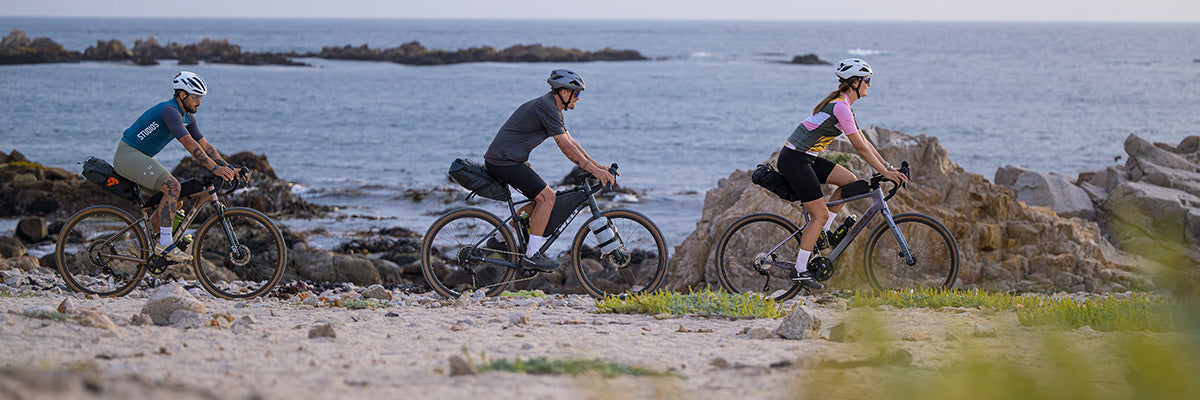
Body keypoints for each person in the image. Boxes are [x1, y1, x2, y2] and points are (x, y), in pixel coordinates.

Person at [778, 58, 909, 289]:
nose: (869, 84)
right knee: (818, 214)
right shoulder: (840, 107)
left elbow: (866, 144)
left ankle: (823, 233)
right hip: (794, 160)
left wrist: (888, 168)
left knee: (849, 181)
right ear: (855, 82)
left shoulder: (844, 107)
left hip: (805, 158)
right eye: (867, 80)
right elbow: (860, 149)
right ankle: (800, 269)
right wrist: (885, 174)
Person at [483, 69, 616, 272]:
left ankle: (498, 240)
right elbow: (565, 146)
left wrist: (598, 167)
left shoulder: (551, 108)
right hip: (504, 161)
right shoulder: (546, 106)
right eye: (576, 93)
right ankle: (532, 255)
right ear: (564, 92)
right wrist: (594, 171)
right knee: (547, 198)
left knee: (539, 201)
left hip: (505, 159)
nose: (578, 98)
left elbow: (573, 143)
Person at [112, 71, 239, 262]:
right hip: (127, 155)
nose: (199, 102)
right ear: (182, 95)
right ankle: (165, 244)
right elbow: (189, 144)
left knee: (175, 200)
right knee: (172, 187)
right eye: (196, 97)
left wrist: (228, 167)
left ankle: (138, 245)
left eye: (201, 97)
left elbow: (205, 145)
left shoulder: (187, 117)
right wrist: (214, 169)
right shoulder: (170, 111)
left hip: (138, 157)